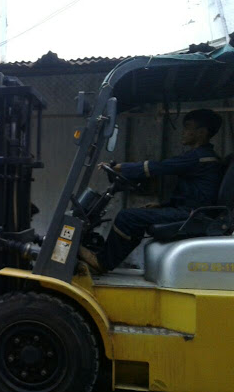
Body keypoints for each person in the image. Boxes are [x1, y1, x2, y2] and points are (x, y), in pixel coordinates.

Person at [79, 108, 223, 273]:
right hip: (192, 211)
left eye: (188, 127)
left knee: (127, 217)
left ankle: (103, 262)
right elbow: (194, 194)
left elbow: (159, 167)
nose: (183, 132)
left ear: (202, 133)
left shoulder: (198, 157)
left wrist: (120, 167)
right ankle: (104, 257)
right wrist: (162, 205)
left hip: (192, 214)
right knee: (135, 216)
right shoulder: (202, 156)